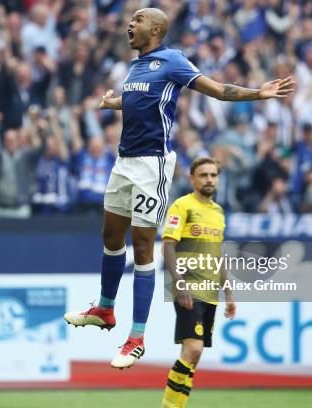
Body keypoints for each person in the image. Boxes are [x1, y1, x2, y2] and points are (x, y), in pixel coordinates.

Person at [63, 7, 294, 369]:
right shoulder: (137, 66)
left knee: (141, 244)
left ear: (154, 29)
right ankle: (105, 310)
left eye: (137, 19)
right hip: (124, 162)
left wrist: (258, 93)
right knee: (111, 236)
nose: (130, 23)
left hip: (151, 164)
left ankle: (136, 337)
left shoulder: (172, 60)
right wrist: (115, 102)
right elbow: (141, 102)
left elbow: (217, 90)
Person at [161, 157, 235, 408]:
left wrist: (229, 292)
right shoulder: (182, 206)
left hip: (211, 292)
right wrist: (179, 284)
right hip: (189, 289)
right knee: (193, 349)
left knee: (193, 356)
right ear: (192, 178)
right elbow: (168, 246)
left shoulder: (219, 212)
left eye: (213, 175)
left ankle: (177, 404)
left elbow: (218, 254)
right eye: (203, 175)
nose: (209, 180)